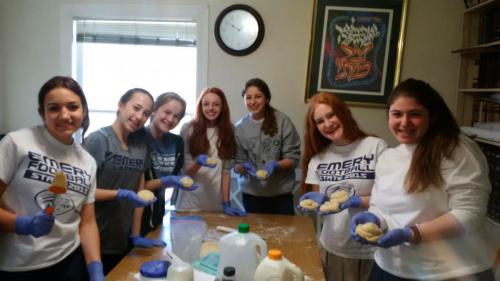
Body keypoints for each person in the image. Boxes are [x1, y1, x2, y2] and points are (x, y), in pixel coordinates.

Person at [351, 78, 495, 281]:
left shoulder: (455, 149)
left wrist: (413, 234)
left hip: (450, 272)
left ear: (433, 116)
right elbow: (379, 206)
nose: (404, 123)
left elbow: (470, 213)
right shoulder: (388, 158)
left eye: (415, 114)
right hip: (391, 267)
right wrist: (374, 218)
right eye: (397, 114)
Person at [0, 76, 104, 280]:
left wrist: (95, 268)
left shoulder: (87, 161)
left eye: (73, 107)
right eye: (54, 108)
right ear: (42, 113)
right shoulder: (17, 143)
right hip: (18, 265)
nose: (65, 115)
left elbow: (87, 223)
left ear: (83, 111)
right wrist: (23, 224)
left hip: (69, 262)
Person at [84, 88, 189, 274]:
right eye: (136, 108)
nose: (139, 116)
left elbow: (140, 192)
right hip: (91, 240)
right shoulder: (98, 140)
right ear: (121, 105)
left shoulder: (140, 146)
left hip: (121, 238)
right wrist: (119, 194)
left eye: (145, 113)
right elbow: (80, 193)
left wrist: (135, 234)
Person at [297, 92, 387, 281]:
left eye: (331, 115)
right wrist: (317, 205)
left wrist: (357, 201)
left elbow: (391, 199)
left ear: (343, 113)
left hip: (373, 248)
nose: (327, 124)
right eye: (320, 121)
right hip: (334, 248)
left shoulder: (376, 147)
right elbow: (322, 207)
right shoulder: (317, 159)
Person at [234, 78, 301, 215]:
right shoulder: (240, 128)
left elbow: (293, 159)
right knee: (254, 236)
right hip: (251, 195)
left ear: (267, 98)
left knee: (283, 235)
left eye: (258, 96)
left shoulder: (283, 122)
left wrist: (275, 165)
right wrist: (244, 167)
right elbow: (237, 165)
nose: (253, 102)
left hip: (281, 195)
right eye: (248, 98)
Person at [178, 87, 245, 216]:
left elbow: (226, 172)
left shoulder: (230, 130)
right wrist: (198, 163)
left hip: (215, 203)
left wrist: (226, 203)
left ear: (222, 107)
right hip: (189, 203)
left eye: (216, 104)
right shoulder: (188, 129)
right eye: (206, 104)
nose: (211, 108)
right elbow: (185, 173)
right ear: (200, 107)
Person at [141, 92, 195, 234]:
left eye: (176, 116)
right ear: (154, 110)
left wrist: (181, 179)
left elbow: (176, 174)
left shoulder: (176, 142)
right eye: (167, 112)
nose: (170, 119)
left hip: (158, 215)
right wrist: (168, 180)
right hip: (136, 216)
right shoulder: (138, 138)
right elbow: (137, 187)